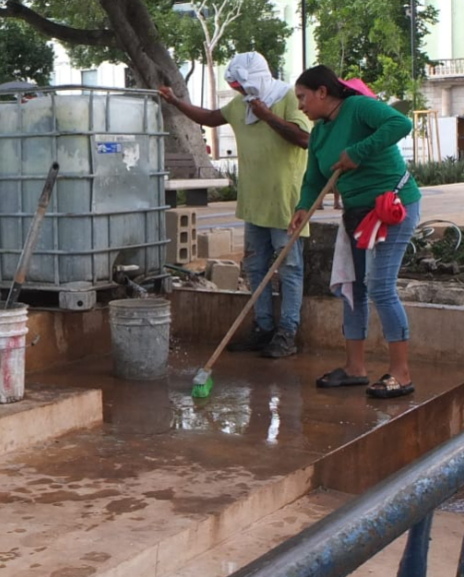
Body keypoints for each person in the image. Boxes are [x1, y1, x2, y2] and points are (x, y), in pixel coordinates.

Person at [158, 51, 313, 359]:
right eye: (237, 87)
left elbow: (304, 138)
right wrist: (176, 102)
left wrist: (267, 115)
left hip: (286, 203)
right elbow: (211, 117)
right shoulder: (240, 105)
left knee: (290, 269)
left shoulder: (287, 99)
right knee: (255, 267)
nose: (239, 91)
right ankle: (263, 326)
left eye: (242, 86)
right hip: (254, 202)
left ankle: (287, 332)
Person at [288, 65, 422, 399]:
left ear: (322, 92)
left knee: (379, 286)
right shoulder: (319, 133)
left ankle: (402, 374)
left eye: (303, 97)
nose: (300, 106)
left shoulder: (359, 107)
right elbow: (315, 178)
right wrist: (304, 206)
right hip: (357, 214)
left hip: (392, 206)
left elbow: (400, 123)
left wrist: (358, 152)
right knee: (353, 286)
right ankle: (354, 367)